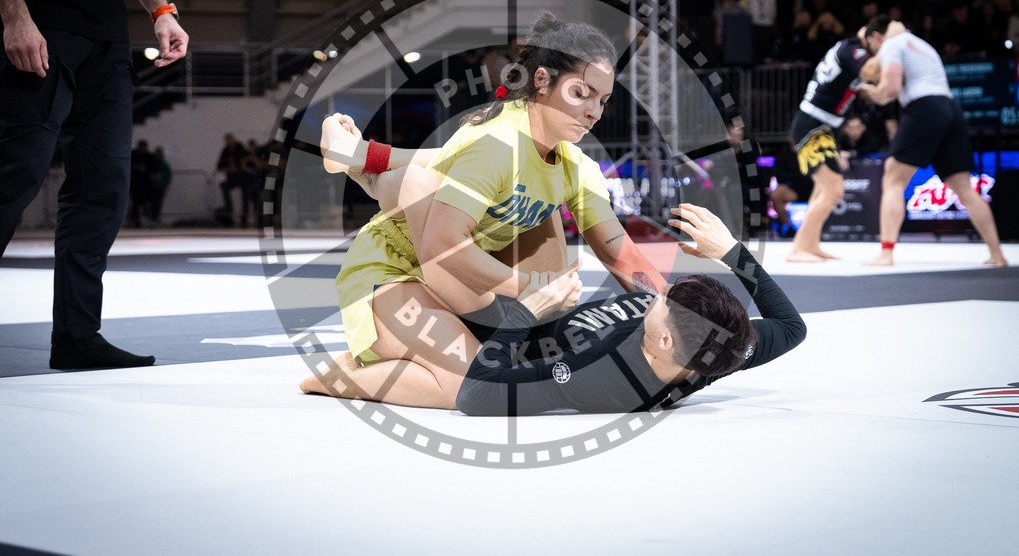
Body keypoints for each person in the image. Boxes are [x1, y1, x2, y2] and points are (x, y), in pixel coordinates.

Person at [309, 13, 669, 408]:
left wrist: (678, 311)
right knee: (471, 384)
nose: (594, 111)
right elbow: (441, 246)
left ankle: (363, 162)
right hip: (392, 273)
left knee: (540, 204)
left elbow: (620, 251)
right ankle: (341, 377)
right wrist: (530, 292)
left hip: (461, 280)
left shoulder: (575, 165)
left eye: (602, 100)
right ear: (543, 81)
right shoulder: (495, 143)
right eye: (581, 94)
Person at [302, 158, 806, 415]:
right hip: (531, 307)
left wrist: (525, 312)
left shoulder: (601, 376)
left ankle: (334, 376)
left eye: (662, 303)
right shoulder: (722, 346)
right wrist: (732, 252)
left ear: (667, 340)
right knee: (543, 189)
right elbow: (791, 327)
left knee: (452, 382)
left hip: (495, 326)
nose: (658, 293)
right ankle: (374, 174)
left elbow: (478, 395)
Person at [0, 0, 189, 369]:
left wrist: (161, 10)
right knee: (13, 175)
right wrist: (14, 18)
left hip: (106, 38)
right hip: (41, 27)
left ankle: (77, 337)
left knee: (102, 188)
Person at [858, 15, 1007, 267]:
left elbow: (891, 90)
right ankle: (997, 254)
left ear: (877, 37)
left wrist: (871, 92)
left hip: (924, 107)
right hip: (950, 108)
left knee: (892, 177)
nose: (875, 54)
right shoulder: (922, 45)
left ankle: (886, 253)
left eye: (872, 48)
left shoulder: (892, 45)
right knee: (964, 187)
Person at [785, 33, 875, 262]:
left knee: (822, 190)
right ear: (874, 36)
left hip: (822, 126)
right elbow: (873, 72)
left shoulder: (849, 49)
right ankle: (798, 249)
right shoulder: (854, 49)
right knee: (833, 191)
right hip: (813, 124)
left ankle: (811, 244)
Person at [149, 146, 172, 224]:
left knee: (158, 203)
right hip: (152, 187)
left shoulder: (164, 165)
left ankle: (156, 217)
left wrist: (165, 185)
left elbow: (167, 175)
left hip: (160, 187)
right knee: (152, 203)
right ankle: (151, 217)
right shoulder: (152, 164)